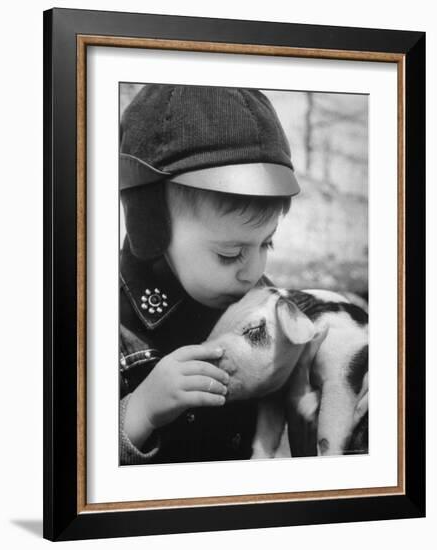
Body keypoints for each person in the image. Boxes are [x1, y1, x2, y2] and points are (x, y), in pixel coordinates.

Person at [119, 84, 300, 465]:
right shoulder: (108, 325)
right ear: (150, 226)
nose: (252, 273)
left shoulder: (260, 302)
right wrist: (140, 410)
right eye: (229, 254)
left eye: (267, 244)